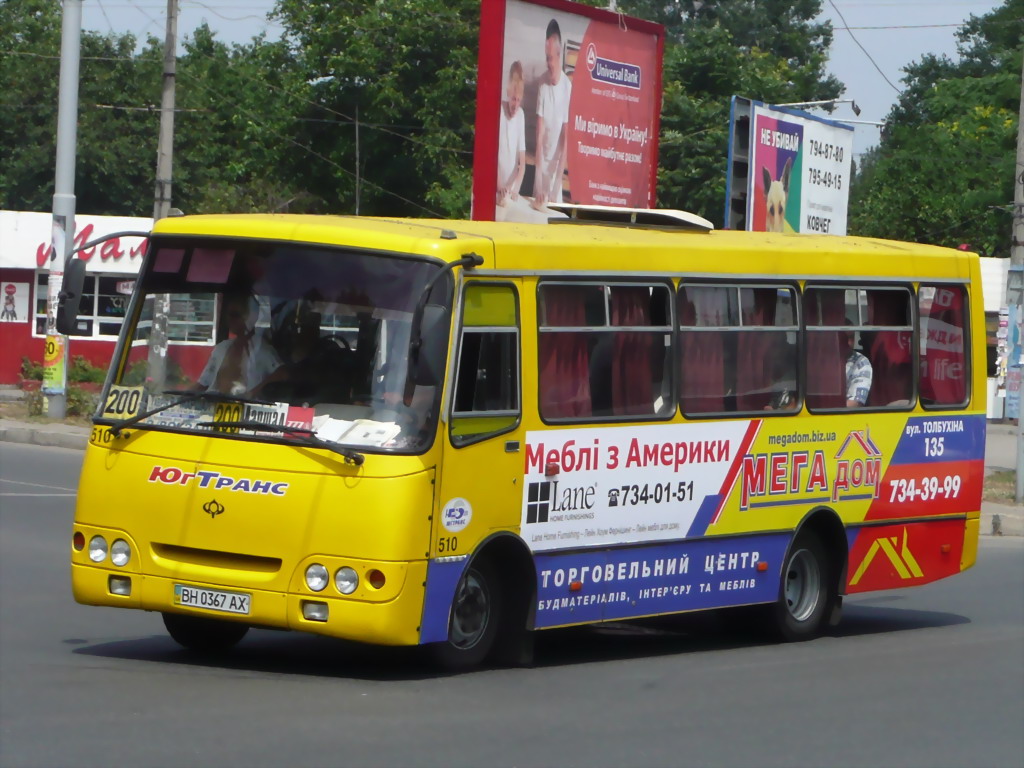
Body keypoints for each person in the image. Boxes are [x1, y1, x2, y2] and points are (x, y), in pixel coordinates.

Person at [196, 292, 283, 396]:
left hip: (247, 409)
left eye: (235, 315)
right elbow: (202, 384)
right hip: (213, 406)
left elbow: (283, 374)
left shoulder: (263, 350)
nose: (229, 319)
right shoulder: (221, 348)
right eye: (228, 315)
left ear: (250, 317)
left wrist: (253, 393)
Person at [532, 19, 571, 208]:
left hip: (556, 166)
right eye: (546, 57)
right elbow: (539, 132)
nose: (547, 62)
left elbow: (565, 138)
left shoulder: (566, 87)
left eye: (550, 58)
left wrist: (557, 182)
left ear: (558, 54)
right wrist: (538, 178)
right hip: (542, 163)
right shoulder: (542, 83)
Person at [496, 61, 527, 207]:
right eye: (513, 99)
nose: (515, 105)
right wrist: (499, 185)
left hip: (510, 188)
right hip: (496, 183)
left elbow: (522, 163)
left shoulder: (520, 115)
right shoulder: (499, 111)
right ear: (508, 94)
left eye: (519, 100)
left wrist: (514, 188)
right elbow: (492, 154)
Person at [842, 327, 873, 407]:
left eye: (852, 337)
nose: (849, 343)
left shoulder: (860, 362)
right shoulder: (820, 358)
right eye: (844, 338)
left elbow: (855, 403)